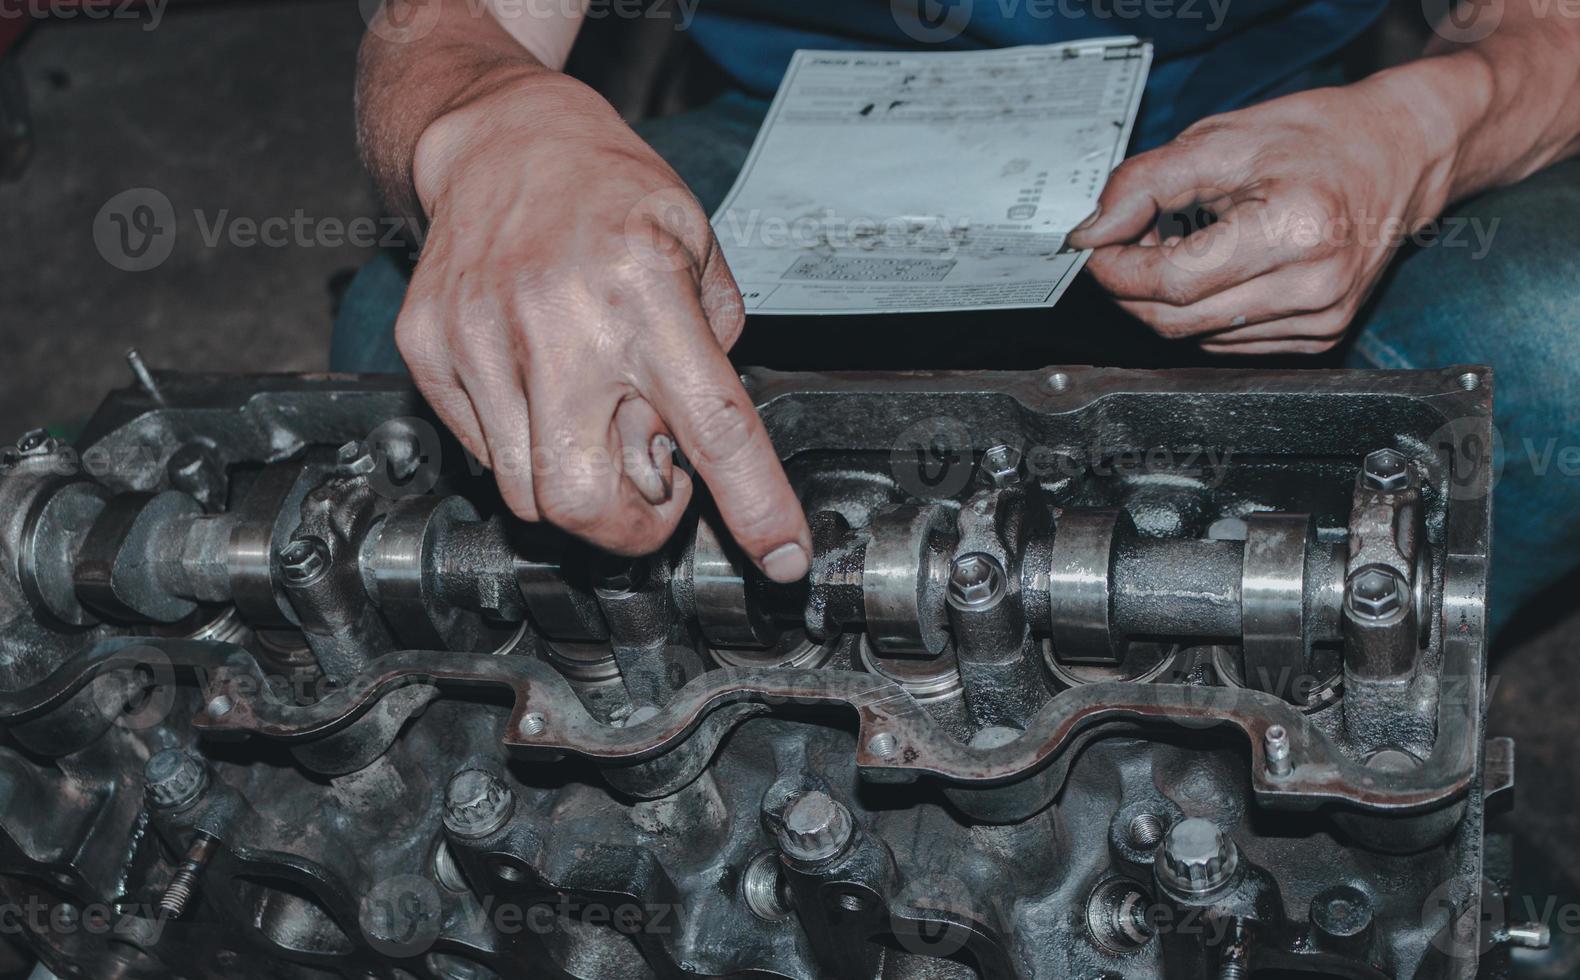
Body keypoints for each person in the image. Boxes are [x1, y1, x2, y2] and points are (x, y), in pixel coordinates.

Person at [343, 0, 1580, 635]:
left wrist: (1422, 133)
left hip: (1272, 124)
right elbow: (439, 29)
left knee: (1556, 336)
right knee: (420, 327)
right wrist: (492, 119)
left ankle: (1390, 707)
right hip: (803, 125)